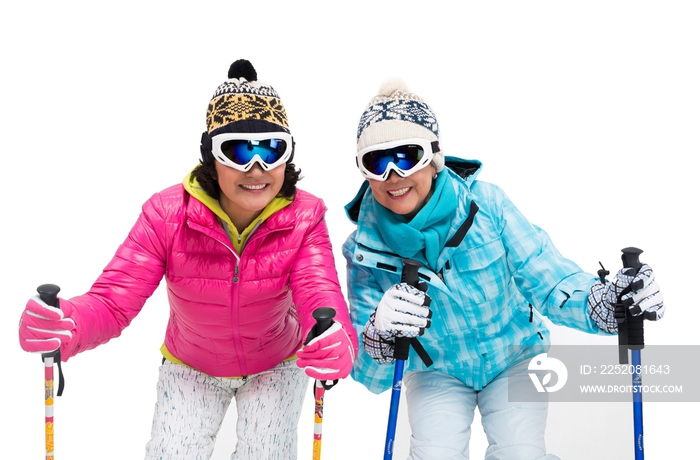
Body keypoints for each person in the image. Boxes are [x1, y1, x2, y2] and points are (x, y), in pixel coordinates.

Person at [18, 59, 358, 460]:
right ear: (210, 155)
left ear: (288, 155)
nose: (256, 168)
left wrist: (337, 340)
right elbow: (113, 301)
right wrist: (68, 324)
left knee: (265, 451)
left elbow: (320, 294)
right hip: (192, 364)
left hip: (274, 363)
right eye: (237, 151)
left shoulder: (305, 216)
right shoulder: (166, 214)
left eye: (272, 149)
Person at [342, 78, 665, 460]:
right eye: (376, 161)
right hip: (436, 370)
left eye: (407, 155)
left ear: (434, 156)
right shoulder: (363, 251)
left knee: (520, 453)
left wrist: (607, 303)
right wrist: (378, 334)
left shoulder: (487, 206)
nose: (393, 175)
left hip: (512, 354)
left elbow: (548, 276)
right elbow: (368, 374)